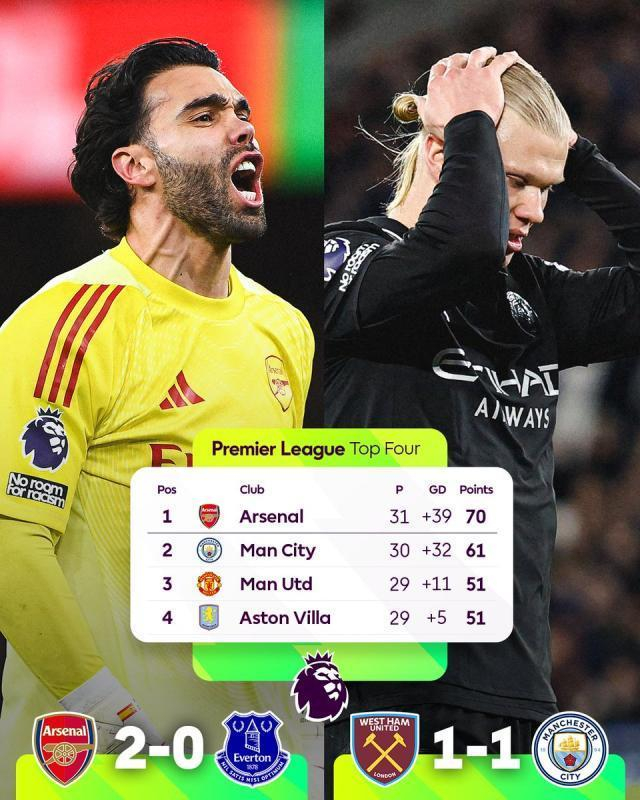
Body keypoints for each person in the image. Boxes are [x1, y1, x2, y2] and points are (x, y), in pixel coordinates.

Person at [0, 37, 317, 795]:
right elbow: (14, 543)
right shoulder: (69, 321)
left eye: (242, 111)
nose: (243, 127)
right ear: (136, 165)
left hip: (251, 765)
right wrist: (113, 715)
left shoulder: (286, 331)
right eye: (204, 116)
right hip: (101, 766)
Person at [324, 45, 640, 792]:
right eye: (518, 181)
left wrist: (576, 155)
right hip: (382, 690)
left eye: (547, 189)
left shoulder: (535, 297)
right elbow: (458, 247)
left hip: (515, 687)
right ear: (442, 154)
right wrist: (469, 127)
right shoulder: (344, 263)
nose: (536, 210)